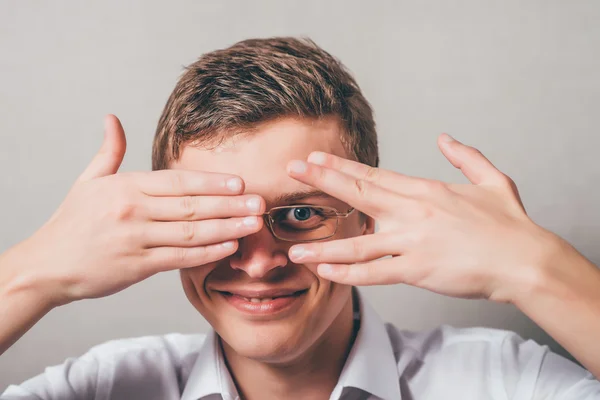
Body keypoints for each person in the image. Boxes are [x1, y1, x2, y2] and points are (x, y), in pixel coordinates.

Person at [1, 37, 599, 400]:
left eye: (301, 213)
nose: (257, 263)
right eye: (216, 217)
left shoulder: (501, 382)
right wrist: (31, 274)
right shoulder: (104, 389)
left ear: (366, 219)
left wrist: (536, 267)